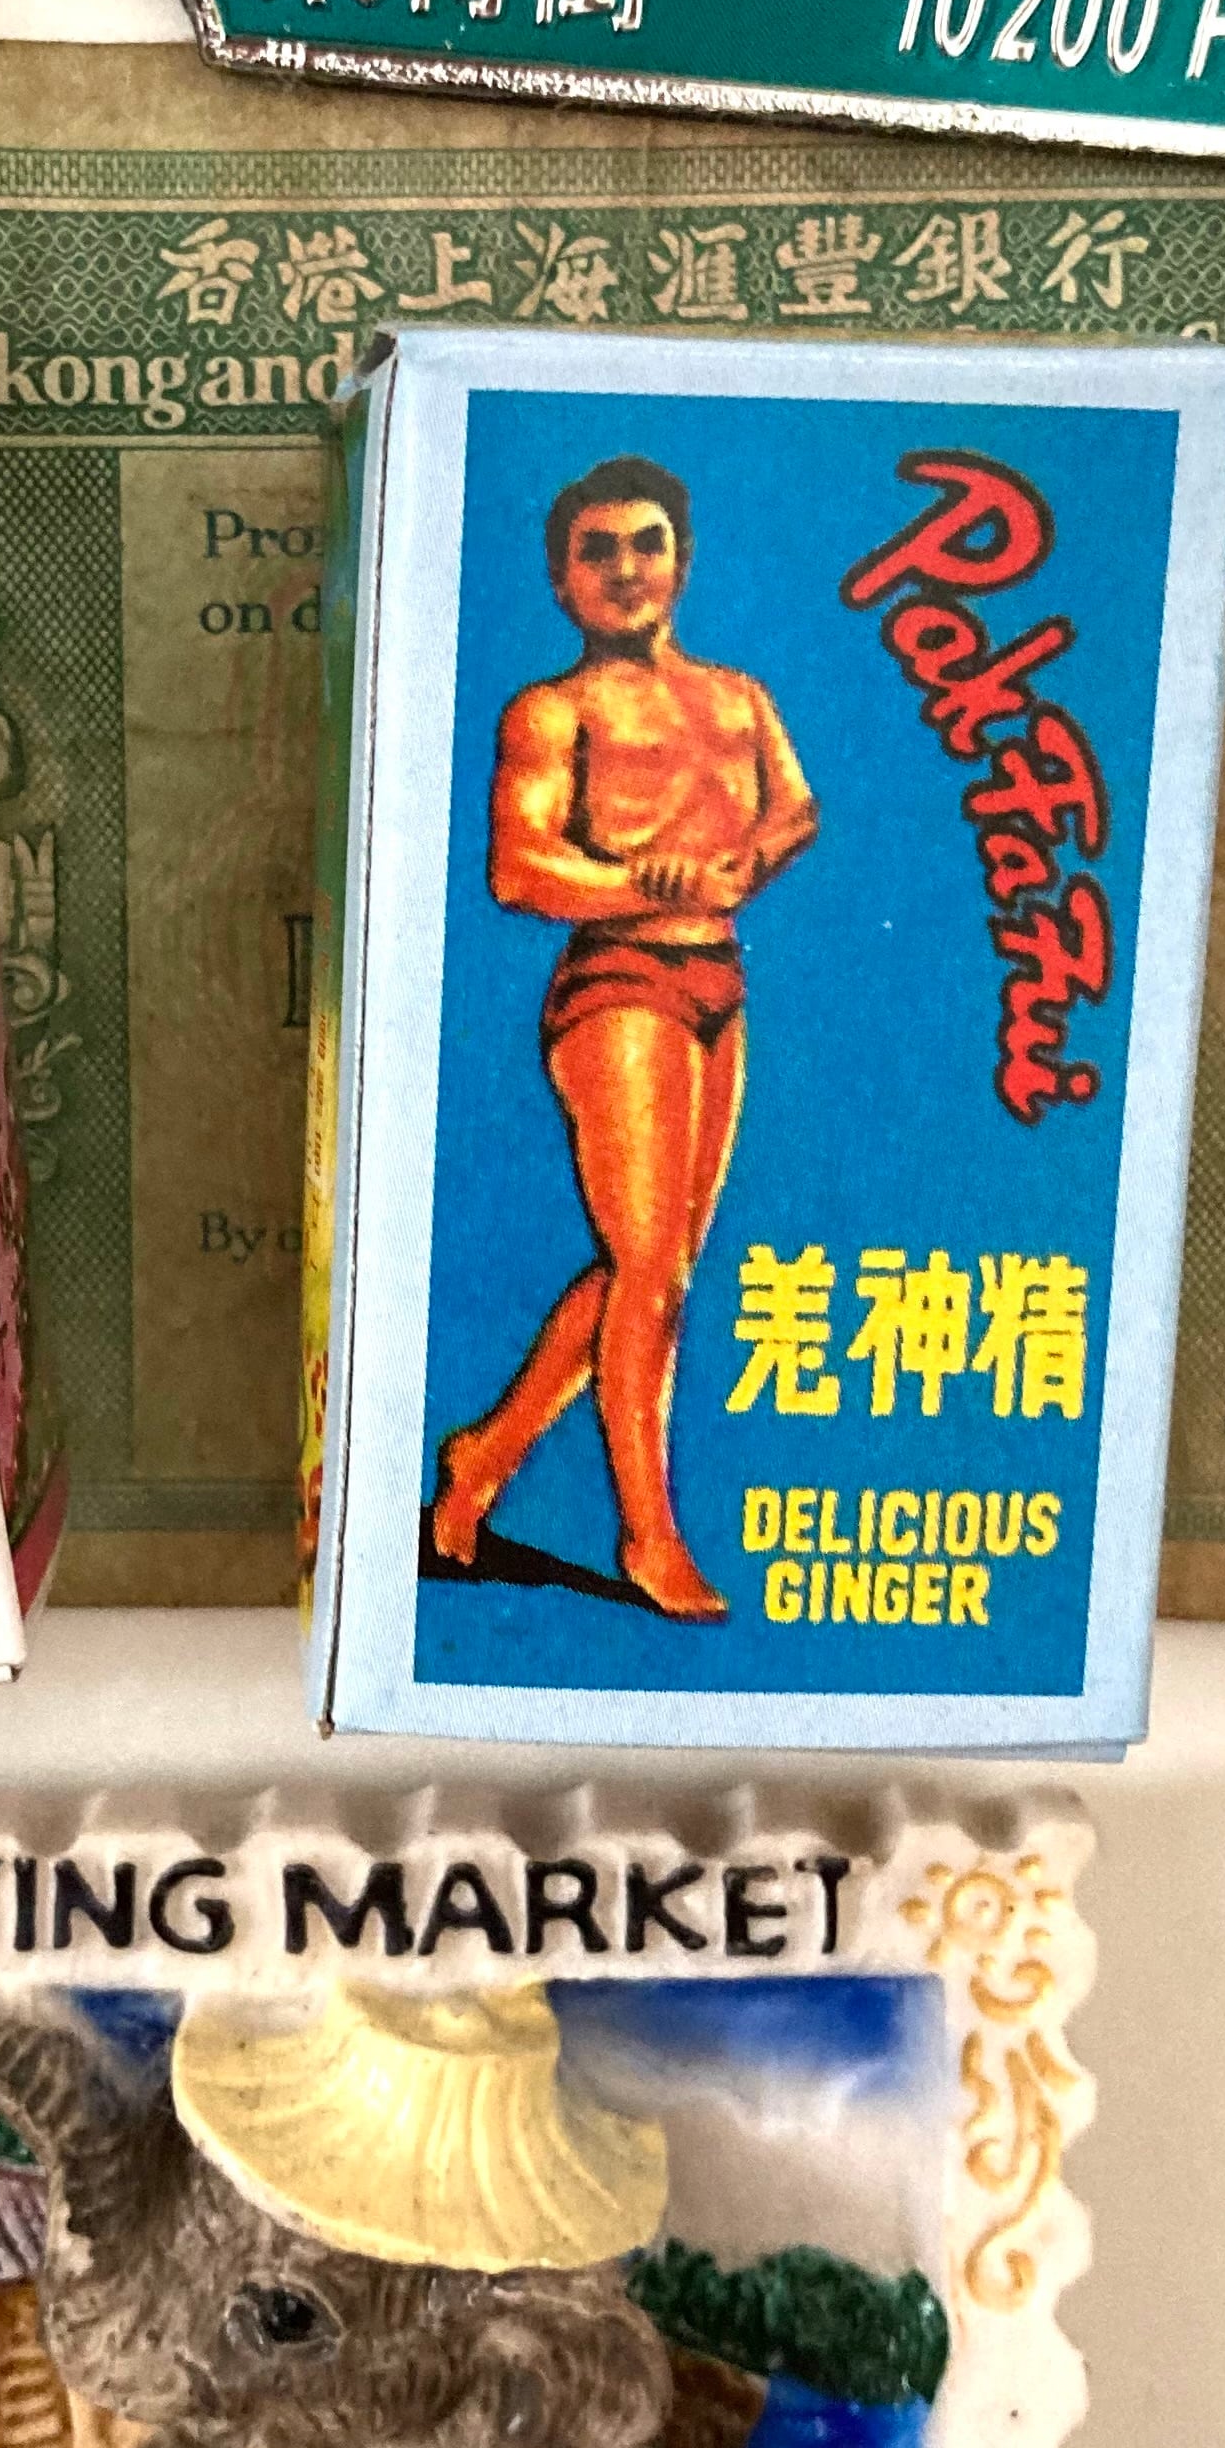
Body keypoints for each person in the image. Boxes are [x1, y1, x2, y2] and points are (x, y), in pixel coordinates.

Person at [428, 457, 816, 1623]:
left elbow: (795, 807)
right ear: (561, 580)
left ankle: (487, 1455)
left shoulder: (739, 698)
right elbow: (518, 866)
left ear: (681, 562)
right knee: (651, 1273)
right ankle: (649, 1537)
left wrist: (746, 863)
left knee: (652, 1271)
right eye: (596, 550)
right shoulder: (553, 712)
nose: (625, 569)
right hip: (617, 986)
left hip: (718, 982)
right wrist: (639, 881)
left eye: (647, 543)